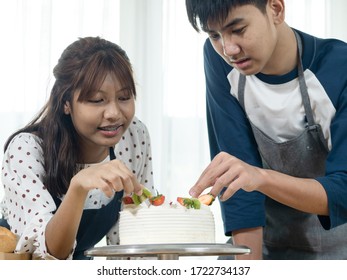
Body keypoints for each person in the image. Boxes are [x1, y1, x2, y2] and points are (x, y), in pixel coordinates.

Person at [185, 0, 347, 259]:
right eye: (214, 35)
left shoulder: (340, 66)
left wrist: (259, 178)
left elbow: (344, 191)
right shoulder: (220, 61)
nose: (229, 49)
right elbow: (236, 183)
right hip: (266, 243)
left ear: (276, 9)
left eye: (238, 29)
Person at [0, 37, 155, 260]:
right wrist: (78, 187)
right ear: (66, 103)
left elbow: (131, 238)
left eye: (124, 97)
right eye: (96, 100)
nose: (114, 113)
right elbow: (50, 254)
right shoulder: (27, 149)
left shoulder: (133, 135)